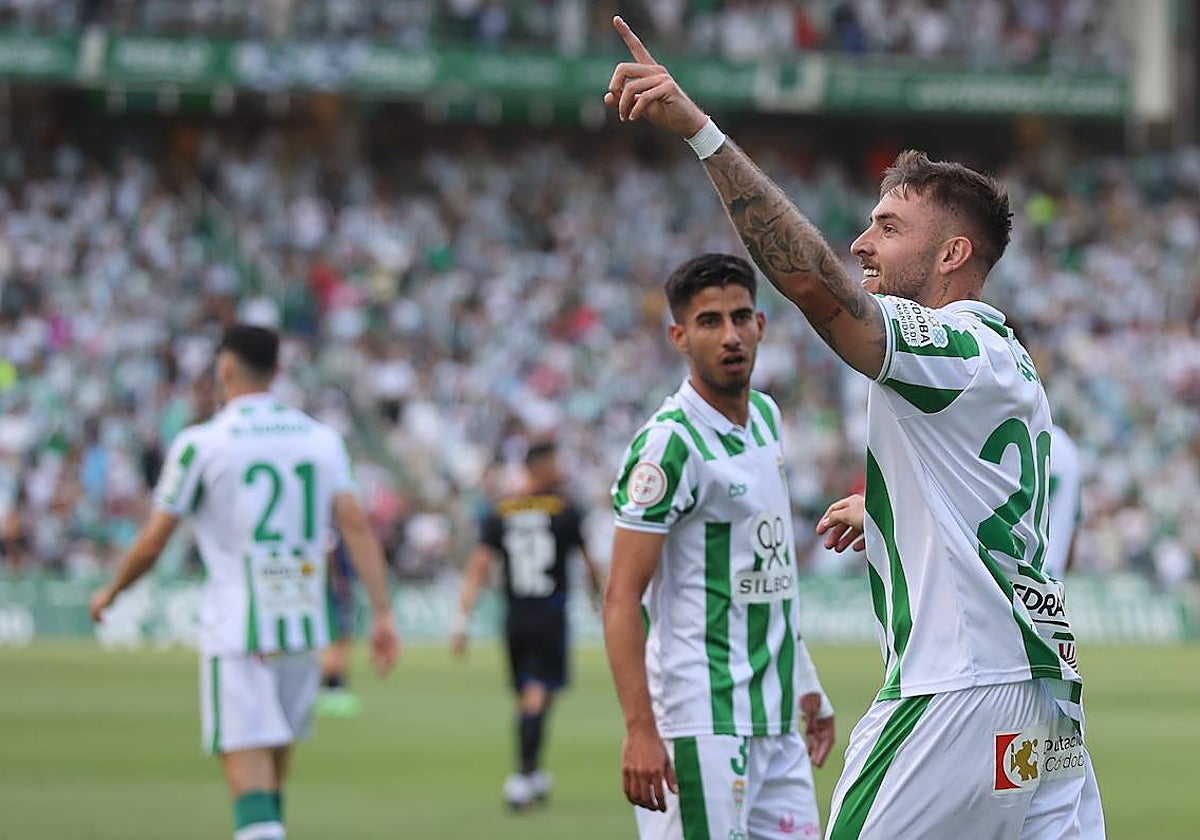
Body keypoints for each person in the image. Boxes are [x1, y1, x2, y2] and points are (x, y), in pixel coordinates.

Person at [604, 17, 1103, 839]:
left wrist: (700, 131)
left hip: (957, 688)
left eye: (888, 227)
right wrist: (882, 511)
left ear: (951, 256)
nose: (862, 242)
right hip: (1043, 703)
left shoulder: (949, 344)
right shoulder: (1005, 356)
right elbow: (982, 501)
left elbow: (817, 286)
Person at [89, 324, 400, 840]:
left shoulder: (202, 443)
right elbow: (356, 525)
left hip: (238, 625)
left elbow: (153, 541)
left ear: (225, 369)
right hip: (303, 619)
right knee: (273, 777)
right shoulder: (321, 439)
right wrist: (383, 613)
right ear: (278, 372)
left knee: (247, 777)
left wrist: (111, 590)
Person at [605, 252, 836, 840]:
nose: (729, 335)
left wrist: (804, 678)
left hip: (778, 716)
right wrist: (640, 728)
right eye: (710, 322)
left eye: (740, 317)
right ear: (679, 336)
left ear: (761, 324)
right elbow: (620, 597)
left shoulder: (765, 416)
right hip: (702, 719)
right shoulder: (669, 445)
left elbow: (771, 567)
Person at [451, 438, 604, 811]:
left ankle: (533, 773)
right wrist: (599, 599)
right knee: (537, 695)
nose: (561, 469)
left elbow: (479, 565)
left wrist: (461, 618)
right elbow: (589, 562)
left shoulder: (502, 510)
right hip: (549, 614)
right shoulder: (566, 510)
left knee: (531, 694)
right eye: (555, 462)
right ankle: (521, 777)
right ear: (540, 466)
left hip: (515, 616)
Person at [314, 535, 363, 718]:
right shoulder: (328, 525)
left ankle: (333, 685)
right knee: (336, 638)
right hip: (332, 590)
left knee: (341, 637)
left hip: (335, 587)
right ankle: (332, 686)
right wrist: (336, 582)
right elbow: (329, 553)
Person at [1045, 424, 1083, 579]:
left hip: (1005, 577)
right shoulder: (1067, 448)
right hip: (1050, 584)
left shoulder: (1012, 431)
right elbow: (1073, 536)